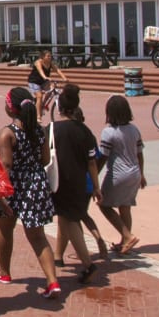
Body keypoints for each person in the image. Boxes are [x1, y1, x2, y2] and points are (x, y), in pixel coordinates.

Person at [0, 87, 61, 299]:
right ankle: (52, 281)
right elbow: (46, 159)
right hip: (36, 184)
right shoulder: (39, 130)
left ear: (11, 108)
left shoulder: (8, 133)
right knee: (38, 236)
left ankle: (4, 271)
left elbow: (6, 165)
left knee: (5, 229)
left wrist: (0, 193)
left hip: (13, 187)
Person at [50, 84, 102, 284]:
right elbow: (92, 163)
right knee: (66, 219)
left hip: (60, 183)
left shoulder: (52, 129)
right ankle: (58, 256)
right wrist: (96, 187)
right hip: (81, 183)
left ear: (60, 108)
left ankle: (88, 263)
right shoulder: (85, 131)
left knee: (70, 223)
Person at [54, 107, 108, 265]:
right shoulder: (87, 134)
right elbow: (94, 160)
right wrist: (96, 185)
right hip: (89, 181)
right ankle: (59, 255)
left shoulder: (62, 133)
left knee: (69, 220)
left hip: (73, 182)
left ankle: (77, 256)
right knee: (80, 216)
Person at [98, 95, 146, 256]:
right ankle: (125, 242)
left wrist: (94, 177)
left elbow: (103, 157)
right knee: (125, 207)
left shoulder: (109, 132)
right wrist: (142, 174)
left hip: (118, 174)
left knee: (104, 205)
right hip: (135, 173)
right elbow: (140, 154)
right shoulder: (134, 129)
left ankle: (127, 236)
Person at [28, 50, 67, 122]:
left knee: (52, 88)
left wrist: (64, 77)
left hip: (43, 82)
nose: (50, 57)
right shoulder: (38, 62)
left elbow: (57, 70)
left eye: (50, 56)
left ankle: (43, 105)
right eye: (48, 56)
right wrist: (45, 77)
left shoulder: (50, 63)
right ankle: (38, 116)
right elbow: (40, 71)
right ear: (43, 57)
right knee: (39, 96)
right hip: (34, 82)